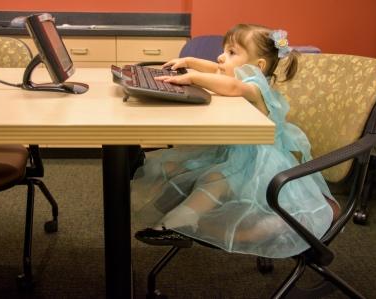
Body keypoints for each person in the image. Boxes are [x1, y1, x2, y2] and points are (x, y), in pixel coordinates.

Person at [132, 24, 339, 258]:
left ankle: (177, 224)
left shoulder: (255, 86)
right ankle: (177, 218)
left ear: (257, 66)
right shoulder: (248, 74)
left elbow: (231, 86)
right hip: (239, 150)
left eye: (231, 53)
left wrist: (192, 77)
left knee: (216, 179)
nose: (221, 57)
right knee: (194, 171)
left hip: (259, 159)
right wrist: (190, 61)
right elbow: (216, 68)